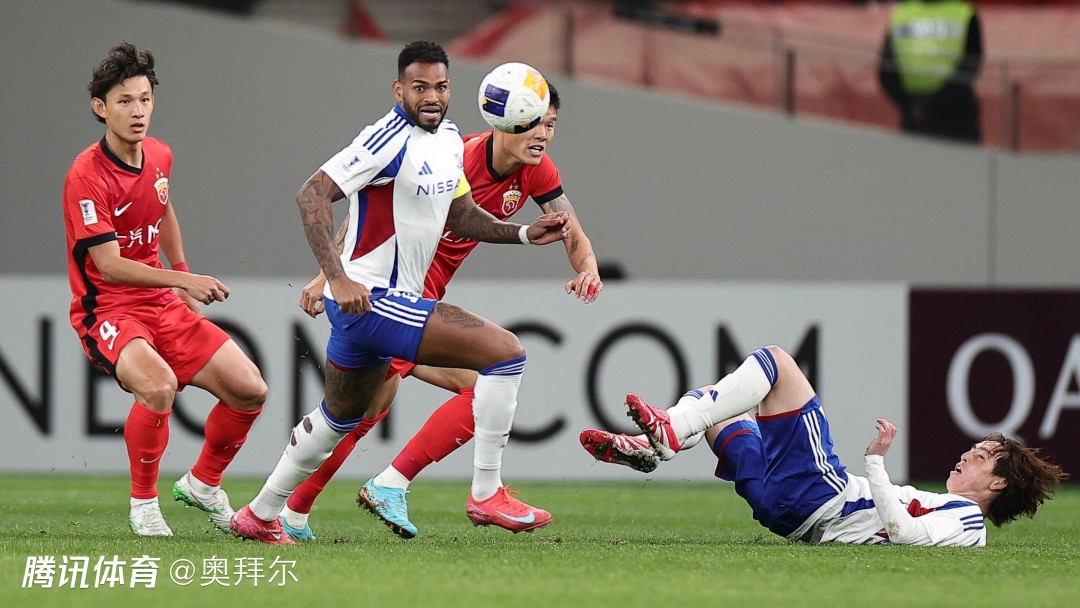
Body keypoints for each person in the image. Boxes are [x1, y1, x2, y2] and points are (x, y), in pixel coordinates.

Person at [229, 41, 571, 545]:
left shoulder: (449, 139)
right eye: (419, 87)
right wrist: (335, 277)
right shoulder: (384, 139)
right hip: (374, 300)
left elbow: (460, 215)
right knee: (506, 354)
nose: (431, 97)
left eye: (441, 86)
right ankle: (485, 493)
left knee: (340, 418)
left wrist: (522, 233)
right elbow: (311, 195)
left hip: (370, 310)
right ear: (399, 90)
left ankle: (260, 514)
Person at [61, 42, 269, 537]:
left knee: (250, 390)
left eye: (144, 99)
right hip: (107, 309)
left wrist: (181, 270)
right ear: (100, 108)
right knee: (158, 387)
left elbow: (163, 205)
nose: (137, 111)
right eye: (124, 101)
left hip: (159, 301)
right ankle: (144, 505)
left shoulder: (159, 154)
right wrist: (183, 280)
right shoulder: (86, 176)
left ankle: (204, 483)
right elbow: (109, 266)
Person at [580, 345, 1067, 546]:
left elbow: (903, 533)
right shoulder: (954, 516)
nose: (965, 455)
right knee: (720, 408)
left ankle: (665, 437)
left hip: (822, 497)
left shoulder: (968, 520)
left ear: (998, 483)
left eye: (980, 457)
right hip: (787, 514)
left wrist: (875, 462)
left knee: (776, 362)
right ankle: (654, 446)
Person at [878, 0, 983, 143]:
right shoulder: (900, 13)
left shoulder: (964, 13)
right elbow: (887, 71)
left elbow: (970, 65)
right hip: (917, 120)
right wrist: (915, 105)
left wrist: (919, 106)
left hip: (955, 119)